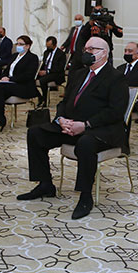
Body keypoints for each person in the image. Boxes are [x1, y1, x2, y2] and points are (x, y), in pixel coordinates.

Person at [18, 37, 129, 220]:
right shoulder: (78, 74)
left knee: (85, 143)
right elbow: (64, 102)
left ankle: (85, 196)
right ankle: (45, 184)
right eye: (86, 49)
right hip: (71, 125)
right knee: (36, 133)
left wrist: (85, 125)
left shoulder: (116, 77)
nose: (87, 52)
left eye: (92, 49)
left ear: (104, 53)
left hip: (100, 130)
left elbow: (115, 112)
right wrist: (61, 119)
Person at [0, 35, 40, 129]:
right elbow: (7, 70)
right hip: (10, 84)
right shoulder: (14, 56)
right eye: (17, 44)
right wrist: (3, 77)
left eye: (21, 44)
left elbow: (28, 75)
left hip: (23, 86)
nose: (18, 46)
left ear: (27, 46)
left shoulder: (32, 58)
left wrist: (10, 79)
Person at [37, 36, 67, 108]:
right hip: (46, 72)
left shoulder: (61, 54)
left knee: (42, 80)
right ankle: (39, 97)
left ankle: (45, 100)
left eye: (49, 46)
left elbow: (60, 68)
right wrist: (39, 71)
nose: (48, 48)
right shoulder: (46, 52)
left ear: (55, 45)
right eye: (47, 46)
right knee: (31, 78)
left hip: (56, 74)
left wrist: (47, 71)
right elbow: (44, 64)